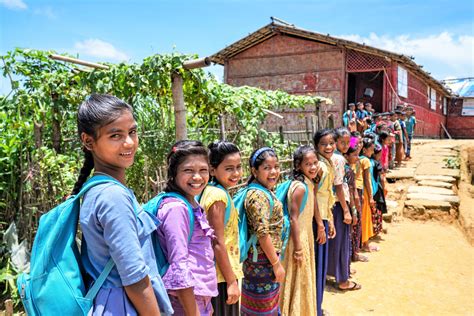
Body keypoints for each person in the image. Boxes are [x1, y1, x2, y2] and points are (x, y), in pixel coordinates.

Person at [76, 94, 172, 315]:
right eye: (115, 135)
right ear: (89, 141)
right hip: (123, 306)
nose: (129, 142)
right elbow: (135, 278)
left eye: (132, 132)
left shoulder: (97, 189)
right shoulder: (113, 197)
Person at [155, 140, 218, 315]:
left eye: (203, 170)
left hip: (198, 298)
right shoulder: (176, 209)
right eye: (188, 170)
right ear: (174, 173)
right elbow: (179, 267)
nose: (197, 177)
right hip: (184, 302)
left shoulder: (191, 203)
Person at [199, 141, 243, 315]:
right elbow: (217, 242)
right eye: (229, 168)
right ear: (212, 170)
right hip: (221, 276)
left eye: (238, 167)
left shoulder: (212, 191)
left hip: (221, 273)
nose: (236, 173)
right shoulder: (217, 196)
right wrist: (231, 282)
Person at [241, 147, 285, 316]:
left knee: (267, 306)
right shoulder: (257, 196)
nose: (273, 172)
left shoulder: (264, 191)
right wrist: (276, 264)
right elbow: (262, 233)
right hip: (262, 261)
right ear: (254, 171)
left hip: (264, 259)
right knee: (262, 309)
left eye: (276, 167)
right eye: (267, 168)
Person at [280, 145, 322, 316]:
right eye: (308, 164)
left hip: (305, 235)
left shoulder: (308, 183)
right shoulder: (300, 187)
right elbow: (293, 218)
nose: (313, 167)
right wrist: (298, 248)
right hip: (298, 238)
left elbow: (313, 203)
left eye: (315, 162)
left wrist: (320, 225)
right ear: (298, 166)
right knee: (298, 278)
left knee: (302, 277)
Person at [328, 127, 361, 291]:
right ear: (334, 142)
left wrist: (352, 138)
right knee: (341, 242)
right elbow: (340, 186)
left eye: (349, 142)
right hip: (341, 203)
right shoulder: (339, 159)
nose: (347, 145)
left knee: (334, 241)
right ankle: (342, 279)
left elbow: (355, 145)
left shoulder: (333, 156)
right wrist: (349, 210)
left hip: (332, 203)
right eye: (343, 142)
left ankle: (338, 270)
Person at [312, 129, 337, 316]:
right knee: (317, 266)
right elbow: (313, 193)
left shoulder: (328, 163)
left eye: (331, 143)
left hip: (324, 217)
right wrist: (320, 223)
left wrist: (331, 221)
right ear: (316, 146)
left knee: (320, 265)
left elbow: (328, 195)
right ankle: (315, 308)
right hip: (316, 219)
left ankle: (317, 306)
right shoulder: (319, 166)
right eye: (323, 144)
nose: (328, 147)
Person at [359, 138, 377, 252]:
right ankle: (365, 243)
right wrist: (371, 197)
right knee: (365, 217)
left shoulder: (356, 159)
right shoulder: (366, 161)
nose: (373, 152)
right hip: (364, 192)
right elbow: (367, 180)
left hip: (358, 191)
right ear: (364, 150)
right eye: (371, 150)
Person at [371, 144, 387, 236]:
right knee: (378, 209)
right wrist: (384, 187)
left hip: (371, 189)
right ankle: (376, 230)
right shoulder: (377, 163)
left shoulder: (370, 161)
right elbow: (381, 178)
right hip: (377, 189)